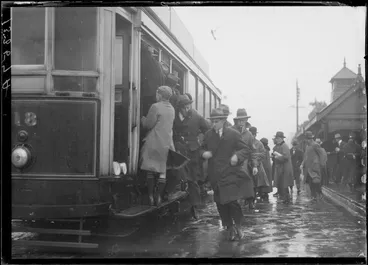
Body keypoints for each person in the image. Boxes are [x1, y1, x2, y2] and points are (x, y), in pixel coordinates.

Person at [200, 107, 253, 240]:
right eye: (212, 121)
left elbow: (245, 149)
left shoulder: (233, 134)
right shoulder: (208, 135)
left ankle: (239, 226)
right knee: (220, 203)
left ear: (223, 121)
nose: (214, 124)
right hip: (215, 175)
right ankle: (229, 227)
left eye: (217, 121)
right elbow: (201, 149)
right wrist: (203, 153)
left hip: (230, 172)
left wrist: (237, 156)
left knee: (232, 201)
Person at [172, 94, 211, 219]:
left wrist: (202, 144)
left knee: (192, 179)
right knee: (177, 175)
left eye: (189, 107)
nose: (188, 110)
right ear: (180, 108)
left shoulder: (196, 116)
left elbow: (208, 130)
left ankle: (195, 207)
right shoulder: (174, 115)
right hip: (178, 150)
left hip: (193, 152)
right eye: (185, 108)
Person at [140, 86, 175, 206]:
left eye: (157, 93)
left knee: (150, 169)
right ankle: (158, 197)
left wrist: (142, 119)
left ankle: (150, 197)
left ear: (160, 95)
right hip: (165, 144)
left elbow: (148, 125)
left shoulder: (155, 106)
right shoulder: (172, 109)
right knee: (162, 171)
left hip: (154, 142)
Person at [232, 108, 258, 210]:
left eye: (244, 120)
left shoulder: (249, 135)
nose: (242, 122)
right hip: (233, 162)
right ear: (237, 120)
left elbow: (253, 151)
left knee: (248, 183)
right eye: (240, 120)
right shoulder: (231, 131)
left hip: (245, 164)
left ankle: (250, 201)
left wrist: (255, 165)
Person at [301, 131, 327, 202]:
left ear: (309, 139)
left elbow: (323, 154)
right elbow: (306, 156)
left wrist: (322, 164)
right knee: (310, 182)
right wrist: (303, 163)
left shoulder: (315, 145)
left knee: (316, 181)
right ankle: (314, 196)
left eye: (306, 139)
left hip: (315, 167)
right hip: (308, 168)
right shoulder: (307, 146)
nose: (306, 141)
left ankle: (319, 194)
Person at [249, 127, 271, 202]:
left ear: (255, 135)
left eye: (253, 134)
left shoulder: (259, 143)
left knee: (256, 184)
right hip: (248, 165)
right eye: (251, 134)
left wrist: (255, 156)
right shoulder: (246, 142)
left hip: (257, 166)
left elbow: (263, 154)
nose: (252, 136)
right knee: (248, 183)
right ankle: (248, 199)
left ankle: (253, 199)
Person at [272, 131, 294, 204]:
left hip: (285, 167)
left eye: (278, 138)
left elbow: (286, 157)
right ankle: (284, 198)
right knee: (282, 183)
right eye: (276, 138)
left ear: (281, 138)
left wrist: (276, 156)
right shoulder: (280, 146)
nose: (277, 139)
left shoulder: (284, 146)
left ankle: (286, 199)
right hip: (281, 167)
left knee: (284, 183)